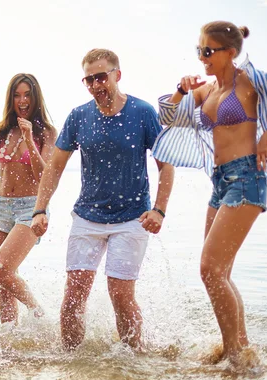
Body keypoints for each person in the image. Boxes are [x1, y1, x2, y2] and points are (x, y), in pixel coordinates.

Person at [151, 21, 267, 368]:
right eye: (199, 51)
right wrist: (181, 90)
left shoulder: (252, 80)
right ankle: (241, 350)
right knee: (219, 272)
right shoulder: (205, 90)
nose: (202, 57)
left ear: (230, 52)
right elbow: (167, 118)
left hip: (247, 178)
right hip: (220, 181)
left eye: (208, 51)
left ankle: (234, 355)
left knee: (210, 269)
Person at [31, 49, 175, 350]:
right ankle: (69, 362)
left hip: (133, 218)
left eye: (101, 77)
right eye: (89, 80)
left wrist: (159, 210)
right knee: (73, 297)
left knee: (120, 295)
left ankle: (133, 360)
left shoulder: (143, 112)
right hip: (87, 218)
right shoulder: (79, 116)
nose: (97, 85)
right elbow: (55, 167)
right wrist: (40, 209)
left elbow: (166, 165)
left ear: (117, 75)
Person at [0, 73, 57, 324]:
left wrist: (29, 140)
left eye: (27, 95)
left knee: (0, 270)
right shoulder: (1, 129)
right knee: (4, 281)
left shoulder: (47, 133)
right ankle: (9, 335)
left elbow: (44, 176)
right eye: (17, 95)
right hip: (0, 209)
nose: (22, 101)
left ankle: (38, 312)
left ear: (35, 98)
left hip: (30, 208)